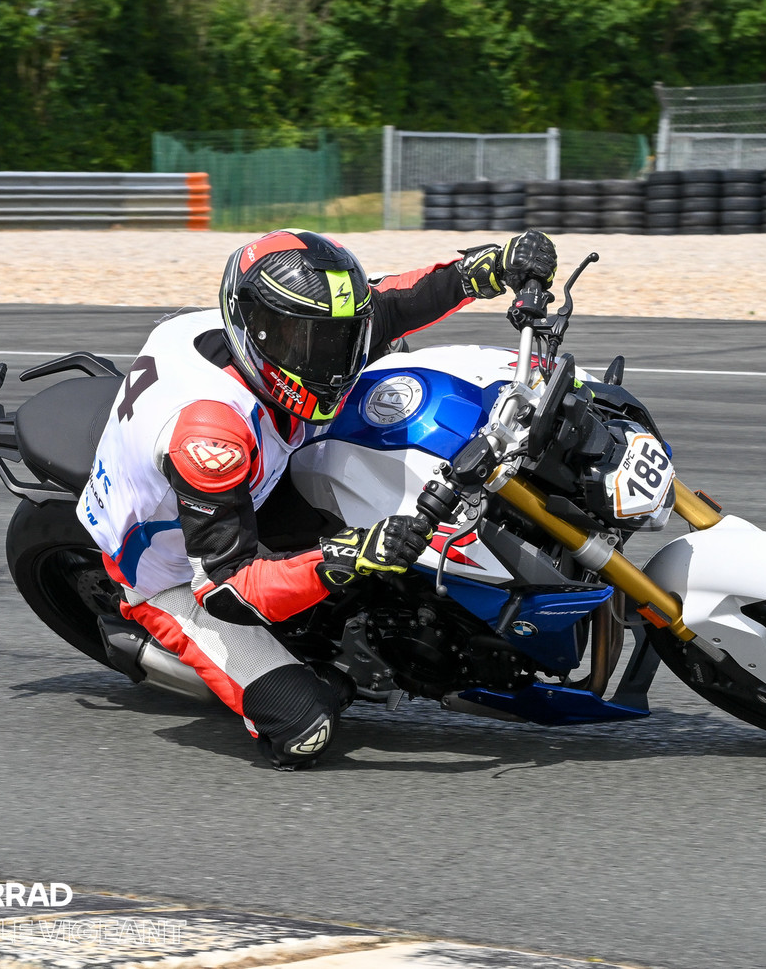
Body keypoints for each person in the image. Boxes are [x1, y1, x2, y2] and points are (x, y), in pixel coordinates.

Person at [78, 228, 557, 769]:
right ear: (252, 331)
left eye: (338, 339)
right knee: (308, 727)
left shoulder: (269, 331)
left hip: (260, 476)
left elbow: (391, 304)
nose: (329, 360)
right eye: (305, 344)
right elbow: (227, 589)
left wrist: (490, 267)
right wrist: (352, 554)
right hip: (174, 575)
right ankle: (163, 643)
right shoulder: (209, 438)